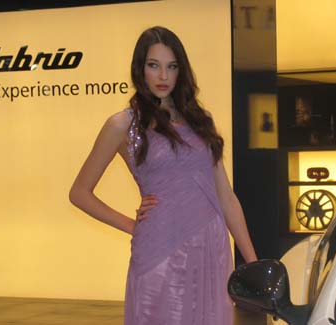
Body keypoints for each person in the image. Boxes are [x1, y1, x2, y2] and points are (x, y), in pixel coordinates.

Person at [69, 26, 257, 325]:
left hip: (211, 250)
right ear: (140, 68)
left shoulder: (200, 121)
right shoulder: (122, 125)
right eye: (153, 66)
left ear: (181, 71)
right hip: (160, 250)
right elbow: (79, 192)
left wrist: (252, 262)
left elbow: (226, 197)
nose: (163, 76)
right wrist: (132, 225)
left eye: (171, 67)